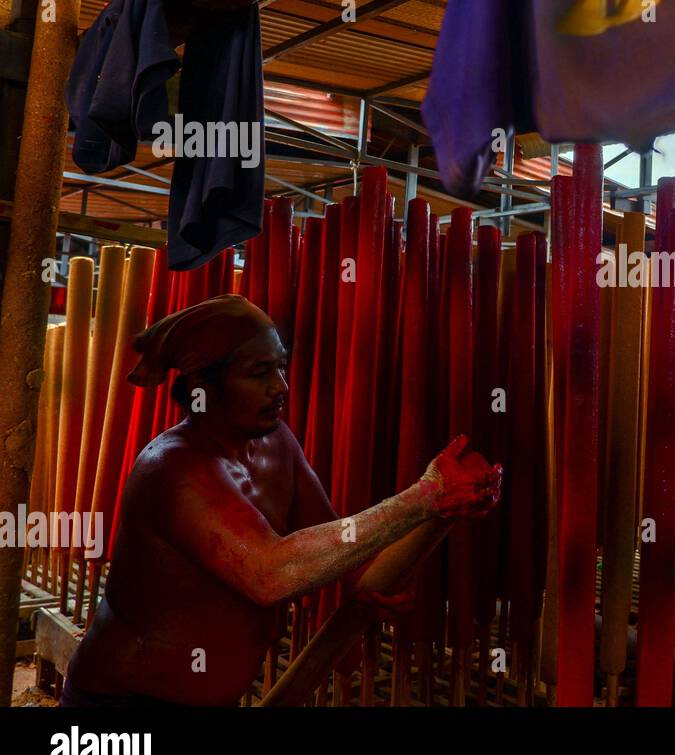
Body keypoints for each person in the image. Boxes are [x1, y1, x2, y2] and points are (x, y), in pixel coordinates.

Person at [61, 295, 501, 706]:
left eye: (281, 367)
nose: (280, 386)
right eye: (258, 373)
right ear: (202, 386)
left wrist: (442, 511)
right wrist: (422, 497)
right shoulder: (174, 470)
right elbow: (271, 574)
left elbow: (350, 557)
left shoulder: (277, 444)